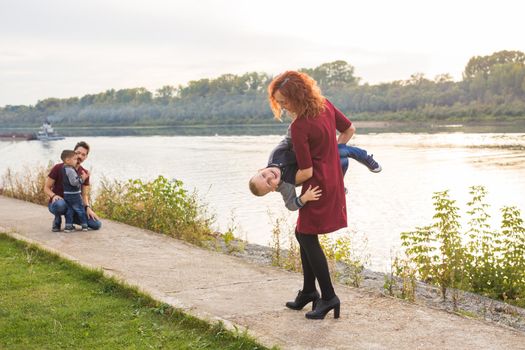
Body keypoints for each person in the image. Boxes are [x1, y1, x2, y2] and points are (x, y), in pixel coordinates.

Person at [267, 71, 354, 320]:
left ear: (297, 96)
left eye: (284, 101)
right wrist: (332, 153)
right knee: (302, 232)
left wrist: (282, 181)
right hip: (333, 179)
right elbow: (349, 130)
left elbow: (306, 171)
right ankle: (308, 292)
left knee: (305, 234)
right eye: (279, 102)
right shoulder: (325, 105)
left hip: (316, 187)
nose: (282, 106)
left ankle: (328, 297)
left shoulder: (299, 126)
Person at [248, 126, 381, 210]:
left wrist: (297, 122)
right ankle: (358, 164)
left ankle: (362, 158)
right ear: (273, 189)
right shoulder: (285, 186)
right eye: (268, 183)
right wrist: (304, 198)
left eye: (263, 175)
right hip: (319, 166)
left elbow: (288, 138)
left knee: (340, 151)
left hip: (315, 152)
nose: (269, 177)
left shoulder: (276, 155)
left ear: (261, 169)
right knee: (341, 156)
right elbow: (290, 205)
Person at [44, 141, 102, 232]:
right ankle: (57, 218)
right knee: (60, 205)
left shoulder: (84, 173)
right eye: (78, 153)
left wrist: (87, 207)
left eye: (83, 154)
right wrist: (54, 196)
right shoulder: (58, 167)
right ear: (73, 152)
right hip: (59, 203)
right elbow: (46, 188)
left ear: (86, 157)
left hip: (75, 204)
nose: (80, 156)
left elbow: (84, 195)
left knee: (96, 224)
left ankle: (71, 220)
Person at [60, 150, 89, 232]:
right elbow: (74, 182)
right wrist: (82, 178)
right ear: (68, 160)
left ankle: (68, 226)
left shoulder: (64, 168)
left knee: (69, 210)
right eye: (75, 159)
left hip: (67, 194)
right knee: (80, 209)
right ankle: (84, 225)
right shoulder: (70, 170)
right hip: (74, 194)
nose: (77, 161)